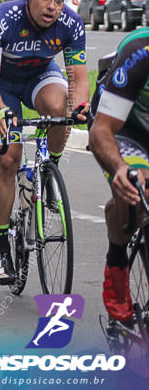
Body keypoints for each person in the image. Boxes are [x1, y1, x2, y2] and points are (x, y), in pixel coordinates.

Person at [0, 0, 88, 285]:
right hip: (2, 87)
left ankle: (49, 170)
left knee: (60, 107)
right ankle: (1, 246)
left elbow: (78, 79)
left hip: (41, 76)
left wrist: (81, 106)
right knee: (8, 159)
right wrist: (0, 111)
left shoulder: (71, 24)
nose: (52, 7)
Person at [88, 26, 149, 324]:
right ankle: (116, 257)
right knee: (140, 189)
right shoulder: (140, 51)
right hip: (123, 130)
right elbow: (101, 132)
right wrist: (121, 169)